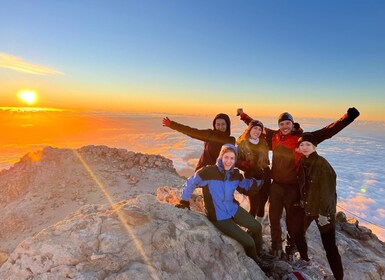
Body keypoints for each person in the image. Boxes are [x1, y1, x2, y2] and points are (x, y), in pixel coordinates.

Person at [237, 107, 360, 260]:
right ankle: (276, 246)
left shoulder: (302, 138)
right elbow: (254, 125)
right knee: (274, 218)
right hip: (276, 186)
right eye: (282, 124)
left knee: (292, 221)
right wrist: (243, 115)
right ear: (279, 126)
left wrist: (348, 117)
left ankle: (290, 246)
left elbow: (326, 132)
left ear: (293, 123)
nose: (285, 126)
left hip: (293, 187)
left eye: (287, 123)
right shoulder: (274, 136)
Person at [175, 144, 274, 272]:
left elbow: (247, 188)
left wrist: (258, 178)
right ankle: (257, 262)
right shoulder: (209, 172)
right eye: (226, 157)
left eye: (232, 158)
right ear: (220, 157)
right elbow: (191, 182)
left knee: (257, 227)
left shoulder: (235, 174)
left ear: (235, 160)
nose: (228, 161)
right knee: (248, 241)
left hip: (232, 208)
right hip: (219, 216)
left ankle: (259, 252)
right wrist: (184, 201)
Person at [296, 133, 343, 280]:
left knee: (329, 246)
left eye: (308, 145)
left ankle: (338, 277)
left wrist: (324, 214)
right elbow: (303, 186)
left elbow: (328, 192)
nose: (304, 147)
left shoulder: (322, 164)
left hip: (323, 212)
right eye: (302, 145)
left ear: (314, 146)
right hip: (309, 208)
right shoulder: (303, 161)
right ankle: (305, 259)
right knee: (297, 232)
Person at [162, 114, 235, 171]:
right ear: (214, 125)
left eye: (223, 124)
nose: (220, 127)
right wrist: (172, 124)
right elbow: (191, 131)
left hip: (221, 174)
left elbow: (233, 158)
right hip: (204, 172)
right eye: (218, 124)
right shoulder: (209, 134)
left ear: (227, 125)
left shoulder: (231, 140)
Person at [236, 119, 271, 224]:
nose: (257, 131)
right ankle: (250, 227)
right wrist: (244, 165)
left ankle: (258, 226)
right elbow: (236, 160)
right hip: (251, 178)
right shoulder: (242, 144)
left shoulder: (264, 143)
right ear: (249, 129)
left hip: (265, 176)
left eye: (260, 129)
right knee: (254, 205)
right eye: (255, 128)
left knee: (262, 204)